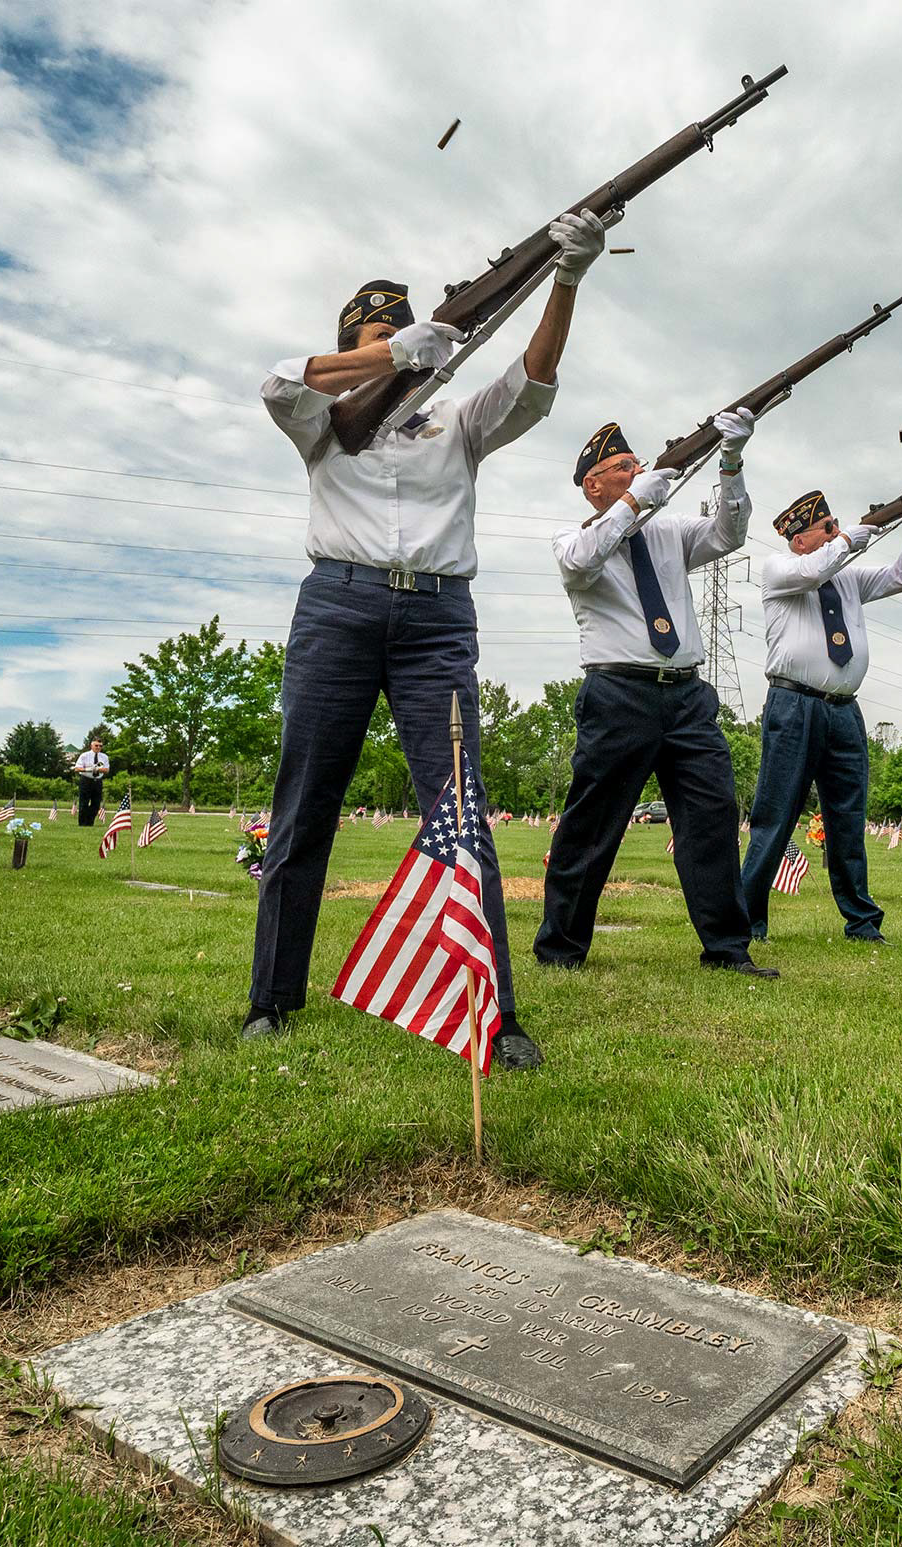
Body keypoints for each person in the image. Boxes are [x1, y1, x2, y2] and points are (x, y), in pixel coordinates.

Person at [246, 209, 611, 1065]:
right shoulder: (320, 417)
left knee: (461, 812)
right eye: (377, 333)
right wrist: (394, 355)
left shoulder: (459, 418)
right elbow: (275, 380)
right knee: (305, 806)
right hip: (337, 607)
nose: (395, 344)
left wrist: (565, 277)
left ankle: (497, 1013)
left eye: (405, 331)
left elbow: (534, 381)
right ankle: (272, 997)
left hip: (439, 620)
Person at [534, 415, 777, 978]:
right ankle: (561, 948)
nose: (636, 471)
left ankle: (727, 947)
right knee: (592, 826)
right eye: (622, 468)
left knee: (712, 819)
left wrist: (731, 462)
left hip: (687, 695)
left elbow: (728, 534)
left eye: (637, 464)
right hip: (619, 694)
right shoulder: (574, 538)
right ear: (593, 484)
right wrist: (637, 501)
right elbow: (582, 560)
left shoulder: (667, 533)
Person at [740, 486, 902, 943]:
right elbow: (817, 570)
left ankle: (862, 922)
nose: (834, 533)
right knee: (775, 816)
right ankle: (748, 918)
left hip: (844, 711)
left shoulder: (846, 575)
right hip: (794, 705)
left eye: (835, 526)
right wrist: (853, 536)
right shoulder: (783, 569)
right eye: (826, 528)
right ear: (798, 538)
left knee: (848, 820)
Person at [72, 740, 109, 826]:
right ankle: (82, 823)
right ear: (91, 746)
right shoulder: (84, 755)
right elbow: (77, 768)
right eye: (96, 745)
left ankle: (90, 822)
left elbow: (106, 769)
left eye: (100, 746)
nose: (98, 747)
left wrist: (97, 769)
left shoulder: (104, 757)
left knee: (96, 803)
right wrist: (88, 769)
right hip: (86, 780)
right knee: (84, 803)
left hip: (97, 781)